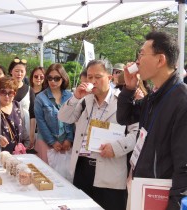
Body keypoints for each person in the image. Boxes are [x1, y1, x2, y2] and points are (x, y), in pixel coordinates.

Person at [116, 31, 187, 210]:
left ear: (160, 60)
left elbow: (184, 165)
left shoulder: (182, 100)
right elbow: (124, 117)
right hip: (142, 187)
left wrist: (175, 205)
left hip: (160, 196)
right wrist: (129, 89)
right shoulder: (154, 95)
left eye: (142, 54)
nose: (137, 60)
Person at [58, 60, 138, 210]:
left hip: (110, 172)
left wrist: (117, 148)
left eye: (98, 77)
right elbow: (63, 117)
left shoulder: (123, 101)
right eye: (89, 77)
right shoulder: (84, 101)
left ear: (109, 77)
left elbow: (137, 133)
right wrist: (75, 96)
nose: (93, 81)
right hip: (82, 168)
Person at [34, 63, 74, 164]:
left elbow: (72, 119)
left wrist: (69, 139)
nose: (53, 81)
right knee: (45, 175)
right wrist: (52, 141)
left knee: (64, 176)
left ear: (63, 78)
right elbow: (40, 122)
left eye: (57, 78)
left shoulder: (71, 96)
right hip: (45, 139)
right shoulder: (40, 98)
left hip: (65, 141)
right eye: (50, 78)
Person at [0, 76, 29, 154]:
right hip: (0, 154)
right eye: (3, 92)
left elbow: (23, 129)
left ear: (15, 93)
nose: (7, 96)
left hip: (18, 153)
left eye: (10, 93)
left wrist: (27, 144)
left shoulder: (18, 106)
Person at [8, 57, 36, 149]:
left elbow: (33, 114)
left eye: (22, 71)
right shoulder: (4, 88)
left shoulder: (29, 89)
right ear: (11, 71)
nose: (19, 74)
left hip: (25, 128)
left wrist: (31, 135)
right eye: (16, 71)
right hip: (8, 127)